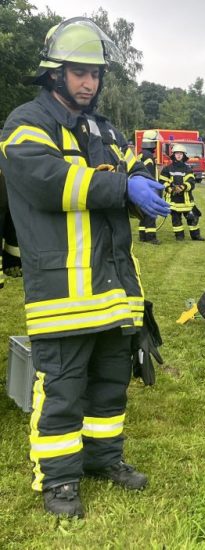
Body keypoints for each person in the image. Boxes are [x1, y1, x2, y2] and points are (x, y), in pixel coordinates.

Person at [0, 17, 170, 518]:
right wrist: (121, 186)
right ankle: (60, 480)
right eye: (79, 72)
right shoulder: (24, 124)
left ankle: (103, 458)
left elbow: (134, 164)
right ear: (55, 73)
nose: (88, 83)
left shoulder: (105, 129)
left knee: (110, 385)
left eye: (95, 74)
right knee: (62, 390)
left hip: (115, 290)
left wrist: (141, 179)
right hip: (63, 292)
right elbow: (50, 182)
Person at [159, 143, 205, 241]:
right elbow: (162, 182)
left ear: (183, 155)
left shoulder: (187, 169)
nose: (179, 155)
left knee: (192, 217)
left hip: (186, 200)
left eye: (181, 153)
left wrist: (183, 187)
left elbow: (191, 182)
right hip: (173, 200)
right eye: (177, 153)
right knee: (176, 220)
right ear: (173, 155)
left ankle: (196, 236)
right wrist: (170, 189)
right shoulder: (167, 169)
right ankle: (179, 236)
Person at [137, 130, 162, 244]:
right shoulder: (149, 157)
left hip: (140, 188)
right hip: (148, 189)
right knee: (151, 213)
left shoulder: (140, 154)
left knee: (143, 213)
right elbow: (149, 175)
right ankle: (151, 237)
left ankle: (142, 235)